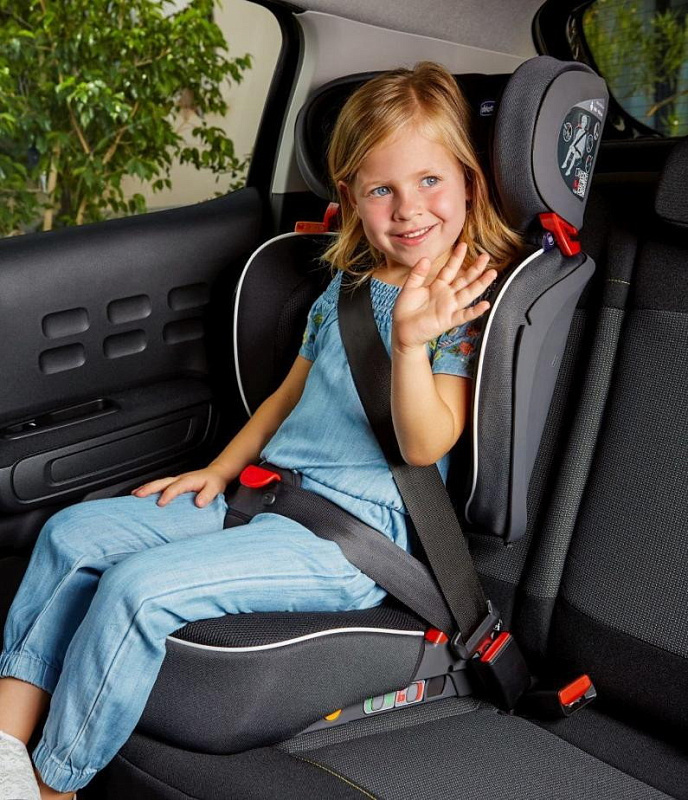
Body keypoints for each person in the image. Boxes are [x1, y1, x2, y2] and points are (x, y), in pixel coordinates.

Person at [0, 61, 523, 799]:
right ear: (351, 197)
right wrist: (219, 471)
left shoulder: (464, 300)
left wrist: (411, 343)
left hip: (350, 540)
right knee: (71, 534)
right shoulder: (347, 288)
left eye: (430, 180)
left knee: (137, 590)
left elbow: (425, 443)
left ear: (470, 180)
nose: (409, 209)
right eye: (382, 189)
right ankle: (5, 747)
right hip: (265, 495)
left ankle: (54, 783)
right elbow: (285, 399)